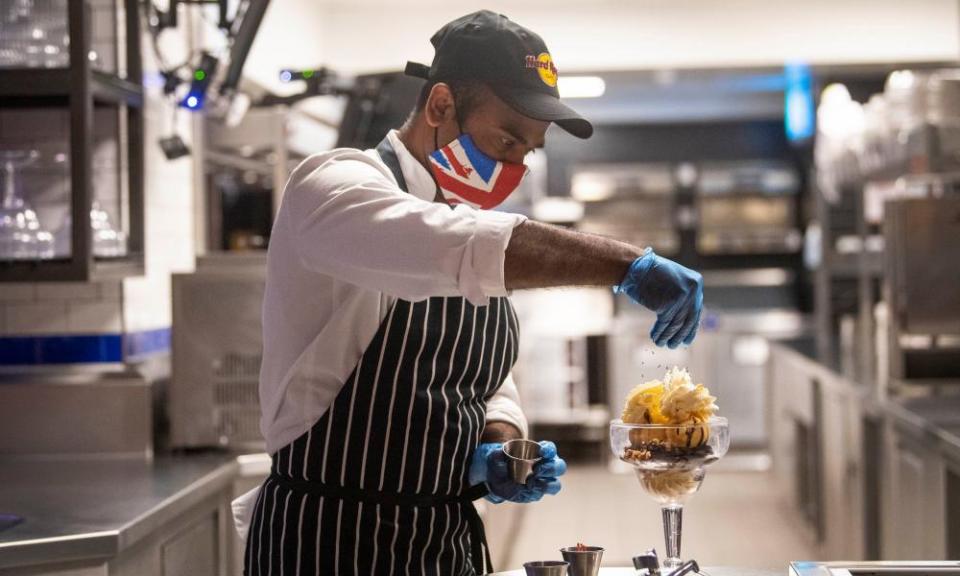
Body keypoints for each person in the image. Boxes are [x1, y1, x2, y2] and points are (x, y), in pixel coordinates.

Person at [236, 9, 703, 576]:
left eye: (526, 151)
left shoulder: (465, 225)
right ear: (439, 106)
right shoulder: (334, 186)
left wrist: (500, 444)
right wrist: (627, 264)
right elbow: (448, 246)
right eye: (506, 139)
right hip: (330, 540)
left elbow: (485, 381)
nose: (513, 167)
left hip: (442, 540)